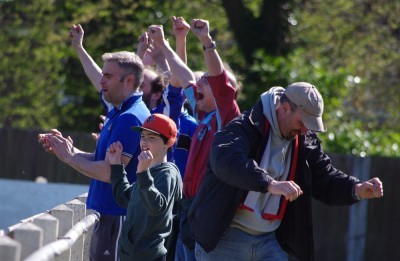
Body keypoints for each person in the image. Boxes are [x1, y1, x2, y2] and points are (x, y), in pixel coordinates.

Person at [188, 82, 384, 260]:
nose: (306, 131)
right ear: (284, 109)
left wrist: (356, 188)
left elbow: (323, 176)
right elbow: (227, 162)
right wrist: (269, 184)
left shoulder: (304, 139)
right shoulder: (244, 126)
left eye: (310, 125)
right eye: (302, 123)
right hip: (224, 239)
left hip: (270, 241)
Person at [39, 26, 150, 261]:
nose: (101, 81)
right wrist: (68, 150)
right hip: (109, 214)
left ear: (129, 80)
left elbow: (111, 173)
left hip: (118, 216)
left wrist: (69, 158)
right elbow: (103, 161)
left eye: (107, 76)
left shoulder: (130, 117)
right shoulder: (119, 110)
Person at [147, 18, 241, 260]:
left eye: (205, 81)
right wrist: (167, 44)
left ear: (224, 91)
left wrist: (206, 41)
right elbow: (183, 76)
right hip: (189, 209)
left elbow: (217, 79)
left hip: (205, 212)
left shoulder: (226, 115)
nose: (198, 83)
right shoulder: (204, 114)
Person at [107, 113, 182, 261]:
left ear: (169, 142)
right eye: (142, 136)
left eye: (151, 137)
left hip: (151, 256)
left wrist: (142, 173)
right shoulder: (148, 170)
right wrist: (116, 166)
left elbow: (156, 207)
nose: (144, 142)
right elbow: (125, 198)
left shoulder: (168, 173)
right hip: (130, 255)